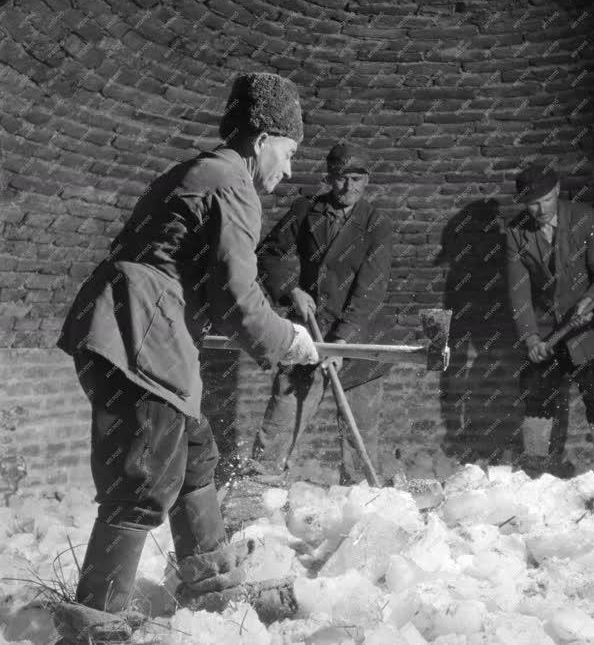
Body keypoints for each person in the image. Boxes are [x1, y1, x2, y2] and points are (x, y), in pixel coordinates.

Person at [55, 73, 319, 635]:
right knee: (144, 474)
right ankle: (94, 624)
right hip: (141, 333)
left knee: (194, 453)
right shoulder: (232, 183)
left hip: (140, 327)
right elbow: (238, 300)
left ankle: (213, 588)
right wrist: (287, 340)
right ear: (261, 138)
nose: (290, 170)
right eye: (290, 153)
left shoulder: (201, 173)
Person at [250, 143, 393, 485]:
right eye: (342, 179)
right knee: (282, 418)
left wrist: (342, 342)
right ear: (329, 178)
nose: (349, 188)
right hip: (307, 334)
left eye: (357, 179)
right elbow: (267, 253)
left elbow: (370, 291)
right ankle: (257, 491)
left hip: (359, 340)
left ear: (367, 181)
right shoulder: (305, 211)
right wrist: (290, 289)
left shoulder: (377, 225)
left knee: (358, 438)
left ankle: (359, 502)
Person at [505, 162, 594, 478]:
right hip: (546, 332)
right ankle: (536, 470)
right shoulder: (517, 233)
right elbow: (519, 293)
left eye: (544, 199)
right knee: (537, 395)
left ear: (556, 191)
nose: (539, 209)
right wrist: (530, 338)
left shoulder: (586, 219)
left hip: (592, 329)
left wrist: (589, 300)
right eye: (531, 203)